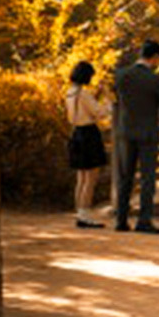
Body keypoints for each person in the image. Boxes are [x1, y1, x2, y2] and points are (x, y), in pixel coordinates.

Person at [114, 40, 159, 234]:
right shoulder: (155, 80)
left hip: (126, 131)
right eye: (158, 58)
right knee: (148, 178)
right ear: (155, 56)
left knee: (125, 177)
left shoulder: (121, 75)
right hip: (147, 133)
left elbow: (117, 98)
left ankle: (121, 220)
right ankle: (144, 221)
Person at [66, 62, 110, 228]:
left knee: (81, 178)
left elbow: (84, 108)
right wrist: (106, 98)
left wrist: (95, 95)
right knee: (91, 178)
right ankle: (85, 216)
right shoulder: (83, 94)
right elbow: (99, 113)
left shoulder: (70, 92)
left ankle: (80, 213)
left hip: (76, 133)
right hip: (89, 134)